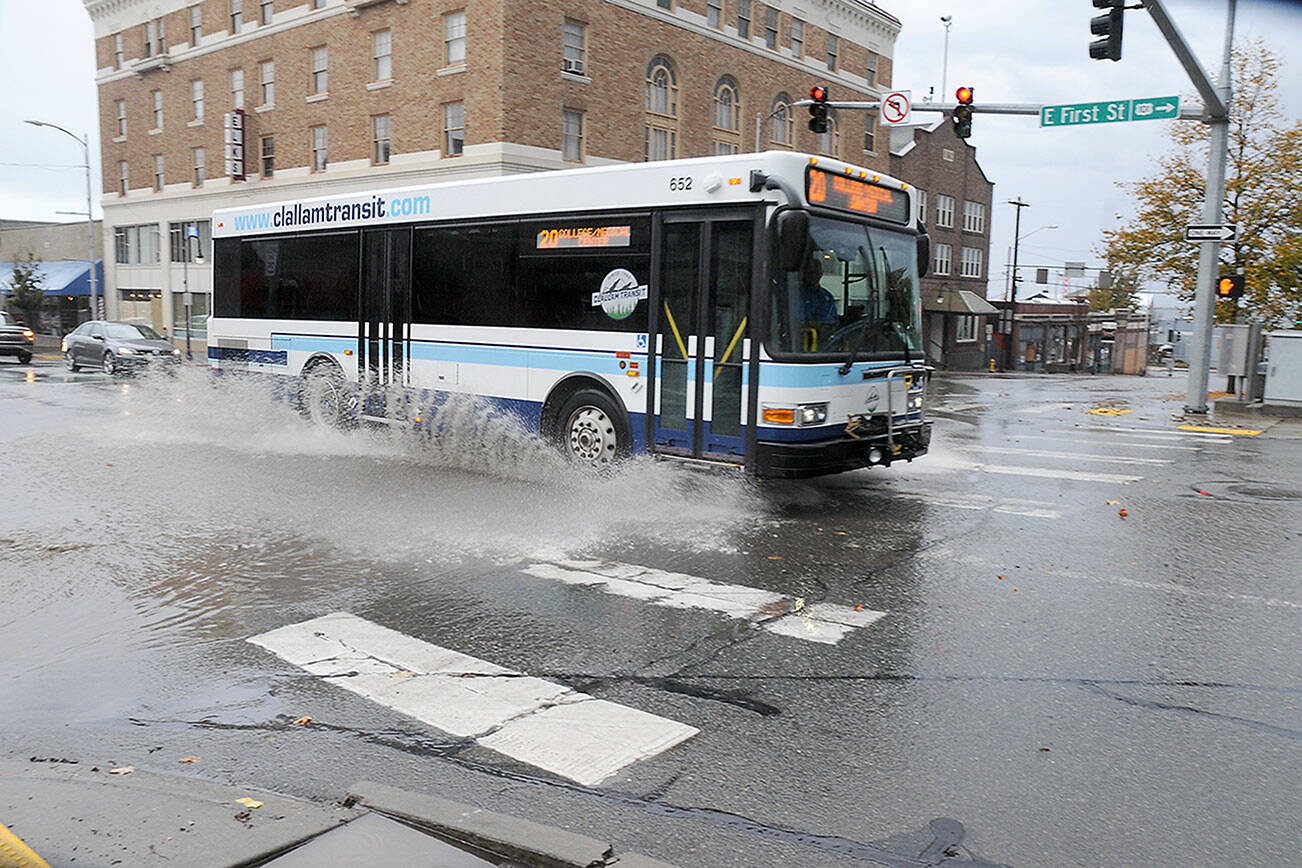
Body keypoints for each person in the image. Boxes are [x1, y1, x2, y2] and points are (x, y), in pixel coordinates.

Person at [800, 254, 837, 325]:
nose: (814, 275)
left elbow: (834, 318)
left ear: (821, 274)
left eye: (816, 272)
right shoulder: (797, 294)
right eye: (810, 272)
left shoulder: (827, 296)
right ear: (803, 273)